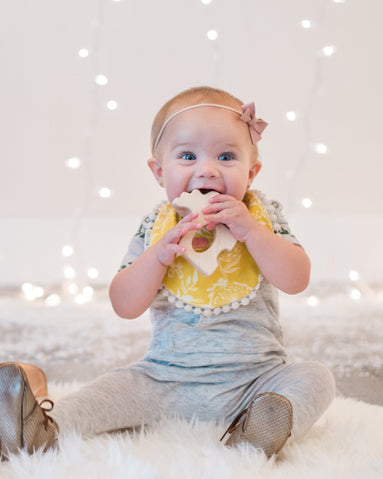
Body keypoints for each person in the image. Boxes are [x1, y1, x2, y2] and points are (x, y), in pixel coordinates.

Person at [0, 86, 335, 461]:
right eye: (188, 156)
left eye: (226, 156)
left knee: (317, 378)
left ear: (252, 172)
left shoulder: (263, 217)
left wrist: (253, 233)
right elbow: (124, 305)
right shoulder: (155, 228)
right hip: (164, 379)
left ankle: (256, 432)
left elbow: (296, 279)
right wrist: (157, 258)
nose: (207, 169)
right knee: (111, 389)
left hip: (255, 380)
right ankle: (40, 432)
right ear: (159, 172)